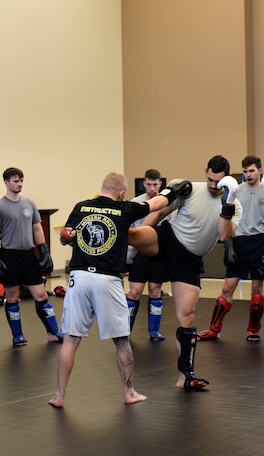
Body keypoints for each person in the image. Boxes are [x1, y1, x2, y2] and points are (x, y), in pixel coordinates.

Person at [48, 172, 191, 407]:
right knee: (122, 340)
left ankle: (58, 396)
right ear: (122, 193)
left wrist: (66, 238)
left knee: (70, 340)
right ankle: (129, 392)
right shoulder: (125, 209)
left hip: (79, 277)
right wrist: (174, 189)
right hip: (107, 279)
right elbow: (157, 203)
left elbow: (67, 237)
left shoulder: (81, 207)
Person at [129, 155, 241, 390]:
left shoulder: (234, 205)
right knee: (134, 234)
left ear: (226, 180)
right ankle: (96, 233)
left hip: (189, 259)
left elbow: (224, 235)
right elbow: (159, 214)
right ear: (205, 172)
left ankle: (185, 377)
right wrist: (140, 241)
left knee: (187, 318)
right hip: (169, 239)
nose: (213, 185)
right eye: (210, 179)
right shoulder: (191, 190)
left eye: (218, 181)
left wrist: (227, 207)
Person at [198, 155, 264, 342]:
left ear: (260, 170)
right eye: (245, 171)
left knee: (257, 288)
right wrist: (229, 245)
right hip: (239, 241)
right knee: (227, 287)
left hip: (259, 241)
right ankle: (214, 329)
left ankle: (253, 329)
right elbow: (227, 219)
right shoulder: (235, 192)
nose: (248, 174)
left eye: (251, 170)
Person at [0, 167, 63, 345]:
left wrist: (44, 251)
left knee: (41, 295)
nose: (19, 184)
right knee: (12, 297)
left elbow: (37, 228)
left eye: (21, 180)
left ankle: (53, 333)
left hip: (29, 255)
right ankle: (17, 335)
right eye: (15, 181)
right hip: (9, 255)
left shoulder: (29, 204)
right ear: (6, 182)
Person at [126, 169, 171, 341]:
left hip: (159, 253)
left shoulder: (168, 203)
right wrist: (127, 257)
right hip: (139, 253)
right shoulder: (136, 203)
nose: (152, 188)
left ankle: (154, 331)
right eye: (149, 184)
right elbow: (129, 230)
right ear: (144, 184)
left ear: (160, 184)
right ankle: (126, 331)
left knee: (155, 291)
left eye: (155, 184)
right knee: (134, 292)